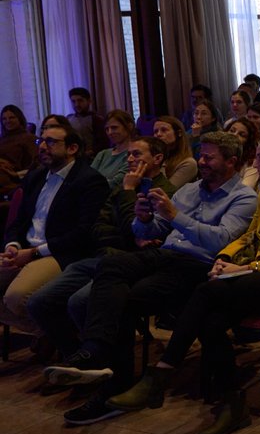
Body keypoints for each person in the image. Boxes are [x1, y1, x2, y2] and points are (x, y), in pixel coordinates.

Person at [103, 134, 260, 434]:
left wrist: (245, 268)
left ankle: (163, 371)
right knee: (211, 321)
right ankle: (233, 404)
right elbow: (249, 237)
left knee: (208, 293)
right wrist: (225, 257)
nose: (255, 163)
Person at [43, 131, 258, 423]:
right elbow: (149, 232)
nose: (201, 161)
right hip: (163, 255)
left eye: (209, 157)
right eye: (201, 154)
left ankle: (111, 384)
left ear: (231, 162)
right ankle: (96, 350)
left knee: (127, 299)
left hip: (197, 267)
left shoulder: (244, 197)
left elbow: (220, 241)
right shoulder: (190, 191)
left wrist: (173, 216)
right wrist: (143, 219)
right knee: (112, 265)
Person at [26, 136, 177, 361]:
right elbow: (97, 226)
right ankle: (75, 358)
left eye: (137, 154)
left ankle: (102, 363)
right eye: (128, 154)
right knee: (39, 302)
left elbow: (140, 231)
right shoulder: (120, 189)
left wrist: (128, 190)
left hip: (135, 265)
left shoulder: (166, 193)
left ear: (157, 158)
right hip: (104, 255)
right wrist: (127, 234)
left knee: (79, 301)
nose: (130, 159)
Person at [0, 125, 108, 337]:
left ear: (72, 148)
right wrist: (13, 246)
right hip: (27, 249)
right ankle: (49, 331)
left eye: (51, 142)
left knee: (16, 297)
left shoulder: (89, 180)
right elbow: (19, 222)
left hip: (61, 253)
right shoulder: (36, 177)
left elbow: (83, 233)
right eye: (41, 142)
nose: (42, 147)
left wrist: (34, 253)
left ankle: (58, 333)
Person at [88, 110, 136, 188]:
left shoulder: (134, 155)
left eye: (114, 128)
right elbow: (87, 178)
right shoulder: (103, 154)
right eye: (107, 129)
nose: (110, 132)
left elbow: (116, 183)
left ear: (129, 126)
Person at [0, 104, 36, 197]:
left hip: (12, 178)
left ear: (19, 119)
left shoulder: (29, 138)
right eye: (4, 119)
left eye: (11, 117)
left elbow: (35, 165)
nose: (7, 121)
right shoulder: (2, 139)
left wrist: (16, 174)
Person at [153, 116, 198, 188]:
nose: (158, 134)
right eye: (155, 131)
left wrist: (160, 162)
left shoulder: (188, 163)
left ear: (179, 133)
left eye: (164, 130)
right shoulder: (155, 158)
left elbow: (166, 191)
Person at [67, 87, 107, 157]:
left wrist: (89, 152)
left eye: (80, 101)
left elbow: (103, 143)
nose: (77, 104)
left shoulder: (96, 119)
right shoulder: (68, 119)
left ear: (89, 101)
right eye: (73, 101)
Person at [226, 118, 260, 188]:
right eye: (232, 131)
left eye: (241, 135)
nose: (234, 135)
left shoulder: (252, 163)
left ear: (248, 142)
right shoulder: (218, 156)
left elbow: (245, 190)